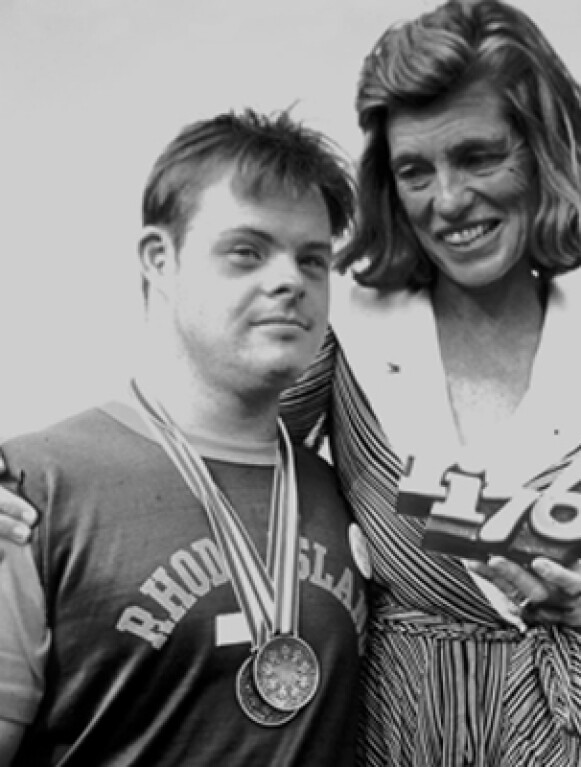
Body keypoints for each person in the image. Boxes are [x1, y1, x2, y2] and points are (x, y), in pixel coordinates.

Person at [0, 2, 581, 766]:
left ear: (542, 153)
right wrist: (30, 479)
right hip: (389, 734)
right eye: (413, 171)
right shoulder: (349, 332)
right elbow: (206, 446)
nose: (449, 200)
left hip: (549, 740)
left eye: (480, 156)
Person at [0, 109, 368, 766]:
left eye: (312, 259)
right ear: (159, 259)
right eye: (246, 251)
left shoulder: (343, 494)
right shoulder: (30, 491)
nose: (289, 280)